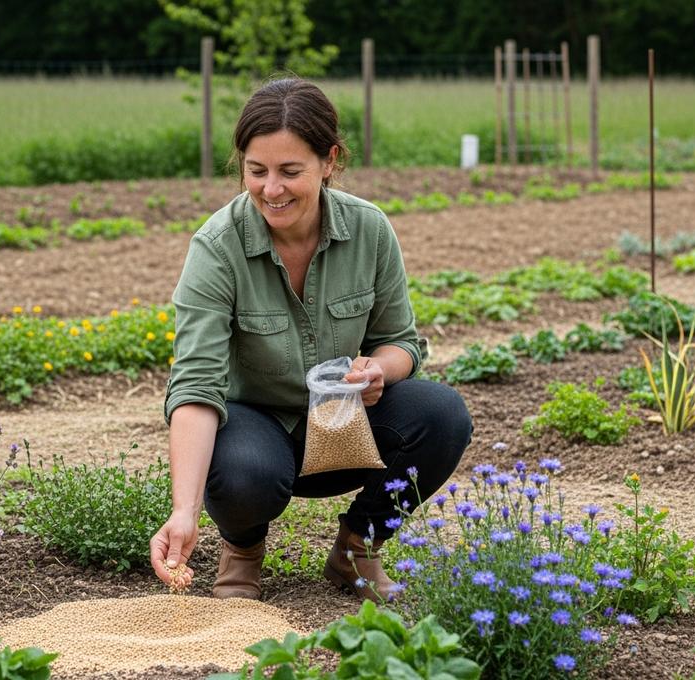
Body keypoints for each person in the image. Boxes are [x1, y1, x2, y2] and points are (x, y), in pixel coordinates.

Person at [149, 78, 472, 602]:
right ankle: (243, 550)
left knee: (442, 416)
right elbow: (195, 387)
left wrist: (377, 371)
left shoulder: (369, 230)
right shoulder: (216, 247)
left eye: (290, 171)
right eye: (256, 171)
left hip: (345, 426)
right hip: (256, 430)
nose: (271, 189)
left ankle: (356, 550)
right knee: (244, 472)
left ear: (330, 161)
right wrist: (183, 512)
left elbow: (401, 344)